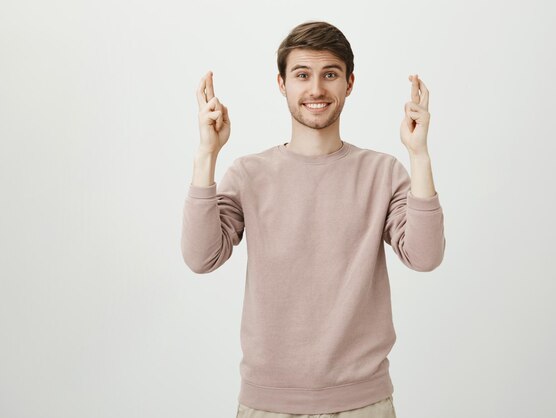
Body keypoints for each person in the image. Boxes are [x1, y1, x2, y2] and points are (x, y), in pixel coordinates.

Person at [181, 21, 445, 418]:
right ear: (282, 84)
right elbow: (201, 258)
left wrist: (419, 155)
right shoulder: (248, 174)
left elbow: (424, 256)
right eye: (302, 75)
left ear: (349, 83)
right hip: (267, 403)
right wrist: (207, 155)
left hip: (363, 403)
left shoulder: (382, 172)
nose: (316, 89)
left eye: (330, 75)